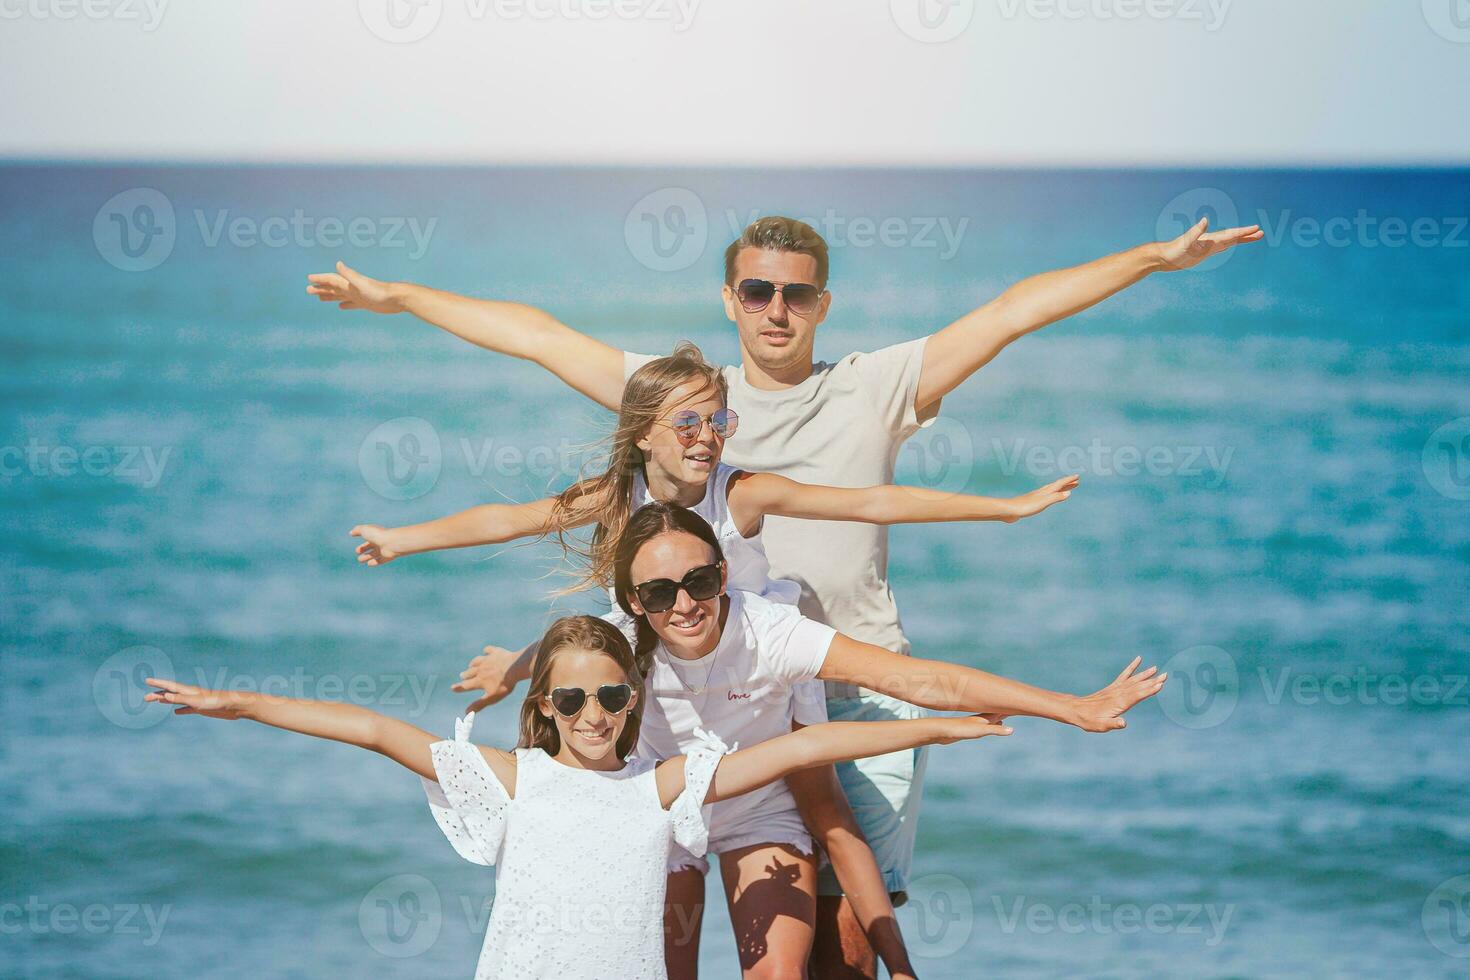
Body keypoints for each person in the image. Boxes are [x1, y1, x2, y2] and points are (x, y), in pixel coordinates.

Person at [306, 212, 1251, 974]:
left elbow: (1011, 313)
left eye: (797, 294)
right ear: (730, 298)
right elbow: (533, 339)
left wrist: (1154, 259)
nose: (776, 308)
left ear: (823, 304)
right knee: (663, 925)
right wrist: (394, 296)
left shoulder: (873, 385)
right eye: (757, 290)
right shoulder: (682, 399)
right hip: (695, 695)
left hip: (855, 681)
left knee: (840, 946)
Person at [346, 341, 1076, 977]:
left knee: (823, 805)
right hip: (664, 710)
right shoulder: (614, 502)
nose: (707, 438)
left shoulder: (743, 495)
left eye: (718, 421)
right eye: (687, 423)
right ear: (643, 437)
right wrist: (406, 538)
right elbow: (514, 523)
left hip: (758, 675)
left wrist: (999, 509)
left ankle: (899, 961)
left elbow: (867, 503)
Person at [141, 615, 1015, 980]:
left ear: (633, 701)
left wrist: (938, 728)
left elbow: (809, 743)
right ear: (542, 708)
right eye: (569, 700)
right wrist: (238, 702)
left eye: (610, 696)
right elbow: (370, 730)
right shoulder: (514, 779)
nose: (591, 714)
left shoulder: (664, 787)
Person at [608, 501, 1166, 978]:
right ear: (633, 600)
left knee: (778, 974)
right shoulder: (614, 650)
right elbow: (555, 722)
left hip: (759, 817)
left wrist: (1069, 707)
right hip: (661, 817)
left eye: (698, 582)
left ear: (723, 576)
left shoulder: (771, 634)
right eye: (658, 592)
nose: (683, 605)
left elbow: (915, 679)